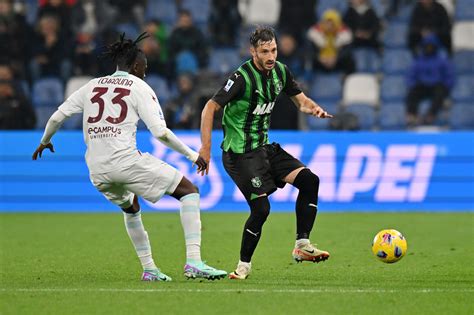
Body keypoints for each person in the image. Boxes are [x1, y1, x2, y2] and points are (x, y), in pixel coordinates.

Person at [32, 32, 227, 282]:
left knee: (131, 207)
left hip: (97, 170)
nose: (145, 71)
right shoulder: (139, 87)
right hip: (125, 162)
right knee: (189, 191)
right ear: (136, 66)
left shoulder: (91, 85)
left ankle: (149, 269)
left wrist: (45, 141)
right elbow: (160, 132)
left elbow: (58, 116)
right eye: (144, 67)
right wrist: (192, 155)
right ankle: (194, 262)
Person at [199, 26, 332, 280]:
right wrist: (205, 148)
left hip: (264, 148)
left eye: (273, 50)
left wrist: (315, 109)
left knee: (309, 180)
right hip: (239, 155)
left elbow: (301, 101)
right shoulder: (241, 78)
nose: (271, 56)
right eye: (264, 51)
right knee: (261, 209)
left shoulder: (280, 72)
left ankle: (302, 245)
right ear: (253, 52)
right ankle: (243, 266)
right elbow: (210, 107)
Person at [405, 34, 454, 127]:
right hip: (422, 85)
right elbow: (411, 75)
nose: (429, 48)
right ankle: (411, 116)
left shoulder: (442, 60)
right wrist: (412, 85)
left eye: (431, 46)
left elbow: (449, 76)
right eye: (427, 46)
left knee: (440, 93)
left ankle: (430, 116)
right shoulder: (418, 60)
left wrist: (446, 86)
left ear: (436, 47)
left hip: (437, 85)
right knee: (412, 93)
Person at [307, 9, 355, 75]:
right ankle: (308, 81)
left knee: (350, 61)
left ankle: (346, 79)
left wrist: (336, 58)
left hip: (337, 61)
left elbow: (347, 51)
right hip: (320, 60)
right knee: (308, 62)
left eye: (332, 24)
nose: (329, 26)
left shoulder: (344, 34)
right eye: (327, 23)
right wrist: (319, 58)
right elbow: (309, 50)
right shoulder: (314, 33)